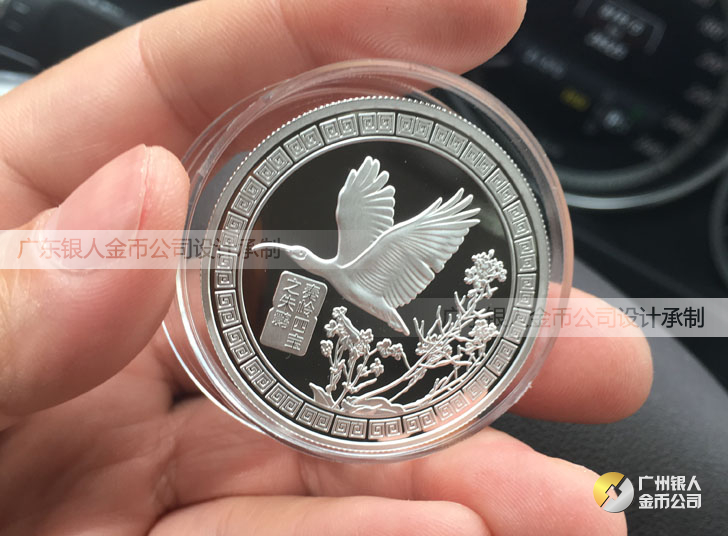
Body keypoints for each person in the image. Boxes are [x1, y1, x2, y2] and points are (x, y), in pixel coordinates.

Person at [0, 0, 652, 534]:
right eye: (296, 256)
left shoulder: (368, 260)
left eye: (297, 255)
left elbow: (424, 229)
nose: (293, 257)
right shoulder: (341, 261)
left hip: (390, 311)